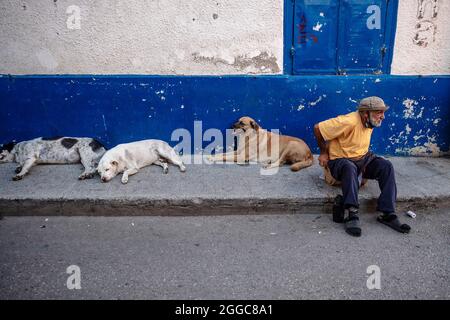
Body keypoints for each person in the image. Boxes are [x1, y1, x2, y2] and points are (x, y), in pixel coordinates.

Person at [313, 96, 411, 237]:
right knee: (349, 167)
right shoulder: (349, 121)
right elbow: (318, 128)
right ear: (365, 113)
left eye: (383, 112)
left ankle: (388, 213)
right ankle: (352, 213)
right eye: (379, 112)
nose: (382, 117)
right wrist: (323, 153)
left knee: (386, 166)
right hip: (341, 161)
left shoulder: (371, 121)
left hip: (362, 158)